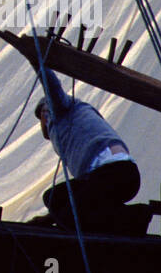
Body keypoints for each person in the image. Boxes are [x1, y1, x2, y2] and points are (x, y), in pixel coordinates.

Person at [34, 71, 140, 230]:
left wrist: (36, 58)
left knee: (69, 216)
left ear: (44, 113)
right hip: (106, 177)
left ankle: (137, 216)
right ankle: (121, 218)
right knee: (54, 197)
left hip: (114, 172)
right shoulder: (78, 116)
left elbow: (52, 87)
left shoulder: (61, 108)